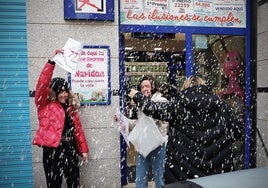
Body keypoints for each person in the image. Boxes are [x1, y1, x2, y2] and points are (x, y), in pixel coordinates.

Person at [132, 76, 244, 185]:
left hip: (183, 174)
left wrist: (137, 96)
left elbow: (151, 108)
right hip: (217, 174)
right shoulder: (221, 106)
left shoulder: (178, 106)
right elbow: (238, 130)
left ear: (185, 88)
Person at [32, 49, 89, 188]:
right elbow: (41, 85)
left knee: (74, 183)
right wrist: (52, 62)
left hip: (70, 148)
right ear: (54, 92)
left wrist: (84, 150)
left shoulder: (70, 108)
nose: (63, 95)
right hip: (53, 151)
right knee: (54, 184)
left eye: (65, 91)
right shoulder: (44, 105)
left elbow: (78, 130)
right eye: (60, 91)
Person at [114, 75, 169, 188]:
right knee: (140, 177)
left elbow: (155, 116)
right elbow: (139, 124)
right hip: (144, 144)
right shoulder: (142, 104)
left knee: (160, 177)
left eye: (147, 86)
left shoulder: (161, 100)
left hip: (158, 144)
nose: (144, 89)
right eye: (142, 87)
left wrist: (142, 102)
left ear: (153, 87)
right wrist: (123, 120)